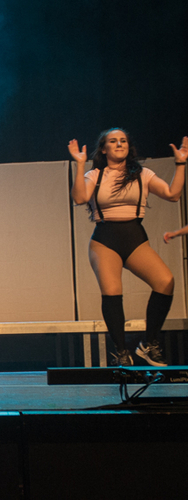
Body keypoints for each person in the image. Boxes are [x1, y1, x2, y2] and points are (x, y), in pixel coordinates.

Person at [69, 130, 188, 367]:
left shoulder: (142, 174)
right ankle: (121, 351)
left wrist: (181, 163)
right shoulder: (96, 175)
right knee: (113, 292)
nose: (119, 144)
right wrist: (80, 165)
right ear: (104, 149)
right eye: (113, 141)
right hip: (105, 240)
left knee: (165, 282)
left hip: (134, 237)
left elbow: (173, 195)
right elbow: (80, 199)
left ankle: (149, 344)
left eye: (123, 141)